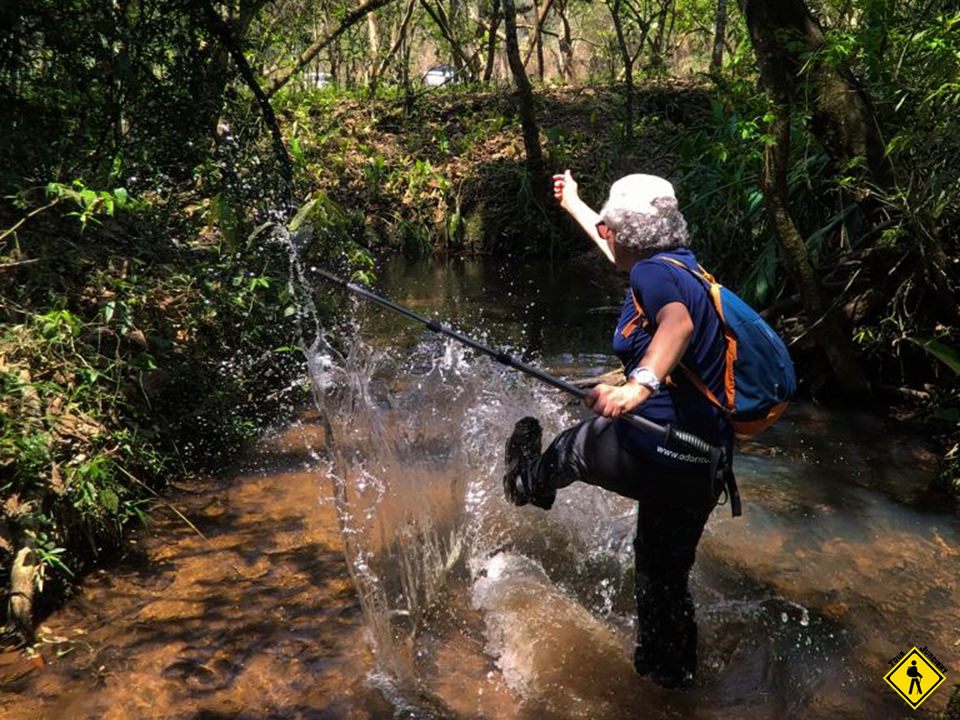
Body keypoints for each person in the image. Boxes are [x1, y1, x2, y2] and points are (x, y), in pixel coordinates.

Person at [502, 170, 734, 689]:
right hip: (707, 460)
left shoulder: (654, 279)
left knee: (572, 445)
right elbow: (620, 254)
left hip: (666, 445)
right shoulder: (678, 266)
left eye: (609, 226)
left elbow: (678, 326)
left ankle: (527, 485)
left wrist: (636, 389)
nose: (605, 233)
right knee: (661, 571)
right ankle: (670, 676)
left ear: (625, 231)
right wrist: (576, 206)